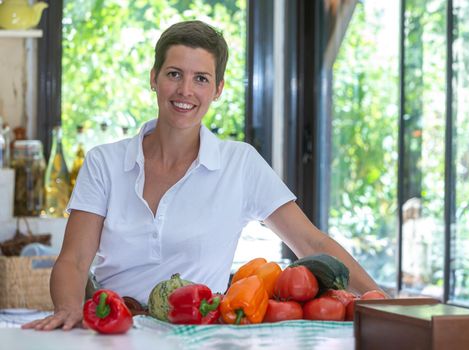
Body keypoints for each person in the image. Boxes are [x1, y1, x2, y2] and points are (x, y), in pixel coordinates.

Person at [23, 20, 381, 331]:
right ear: (154, 78)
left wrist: (385, 302)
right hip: (116, 329)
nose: (185, 91)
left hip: (200, 335)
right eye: (174, 74)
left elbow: (313, 244)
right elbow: (73, 260)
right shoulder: (104, 162)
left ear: (218, 89)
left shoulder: (240, 164)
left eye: (201, 79)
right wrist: (69, 311)